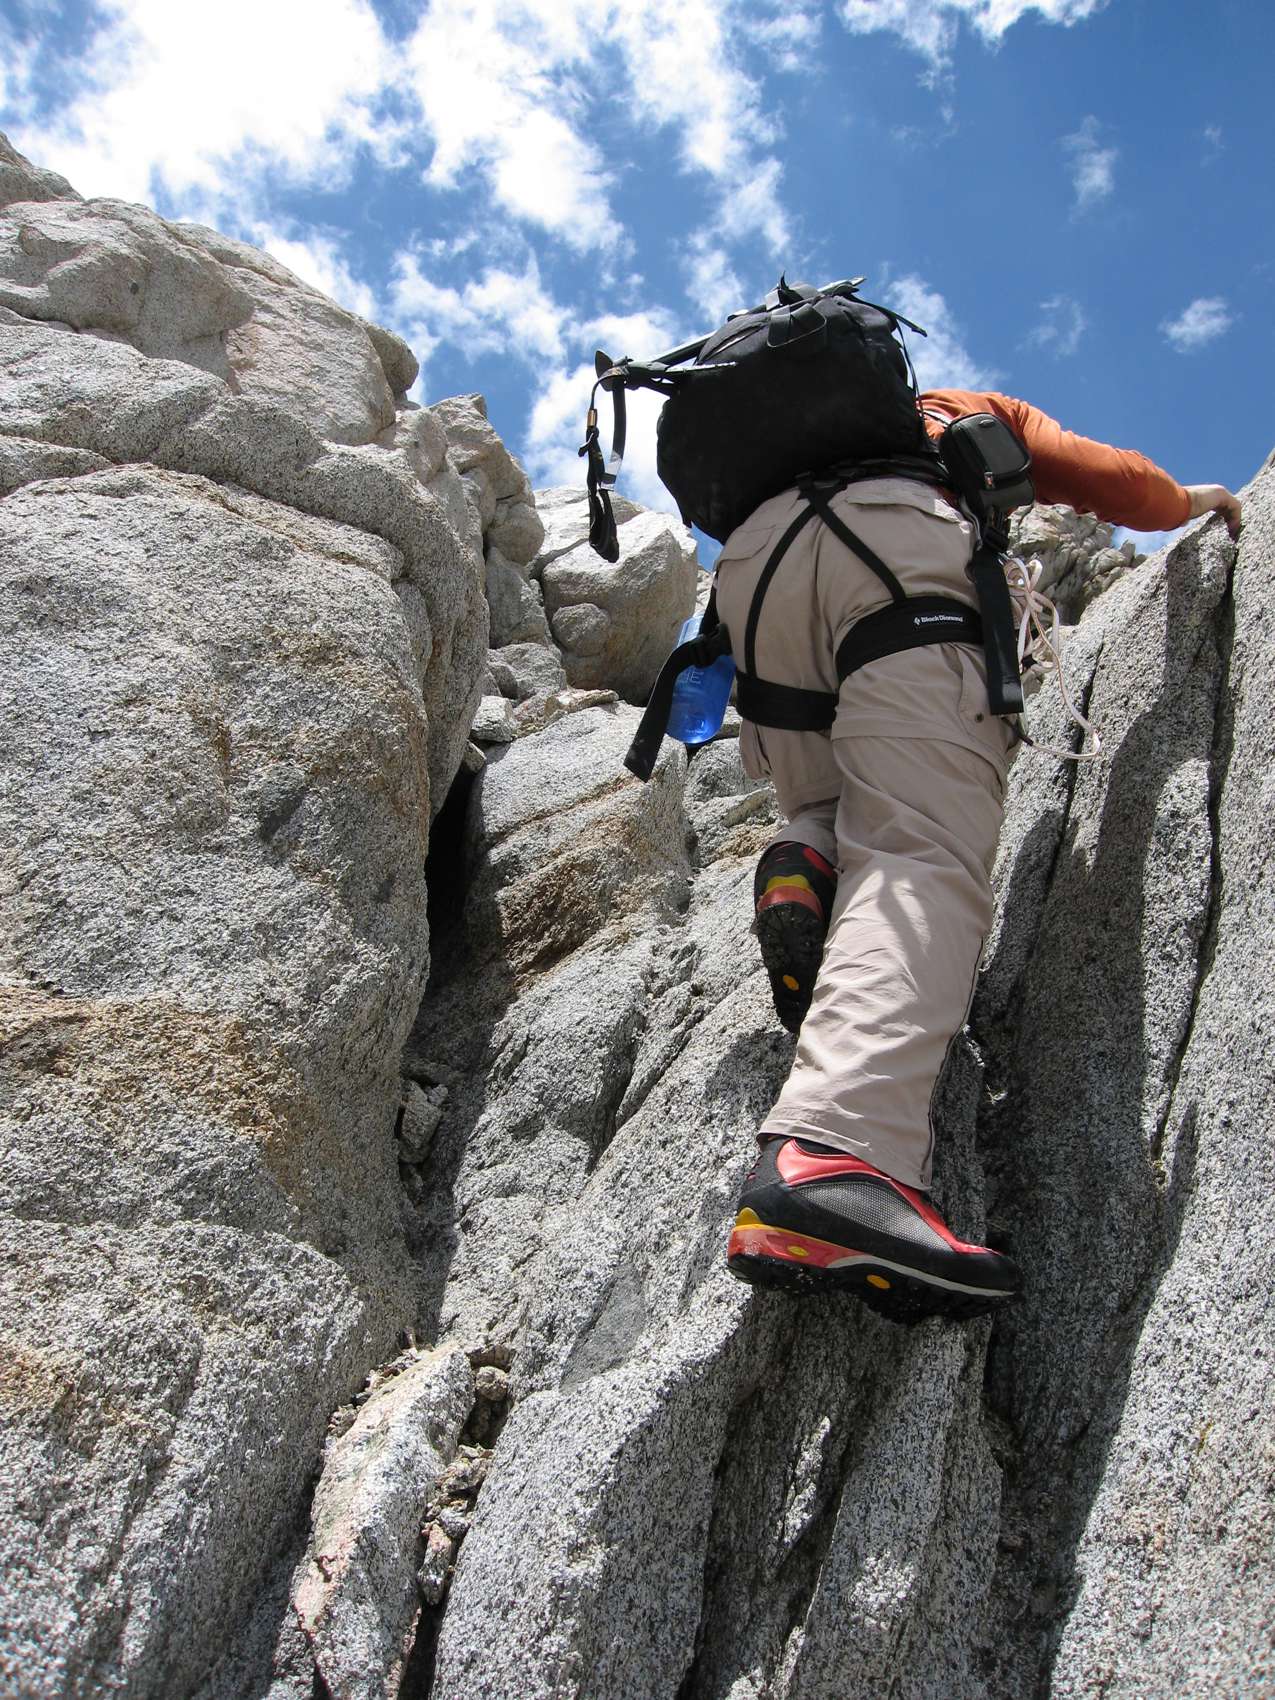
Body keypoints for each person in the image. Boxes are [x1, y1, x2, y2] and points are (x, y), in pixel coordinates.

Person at [720, 386, 1242, 1324]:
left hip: (753, 580)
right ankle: (836, 1156)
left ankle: (807, 863)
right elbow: (1108, 479)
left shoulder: (777, 447)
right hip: (896, 560)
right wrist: (1188, 501)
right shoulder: (955, 407)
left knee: (834, 800)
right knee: (916, 849)